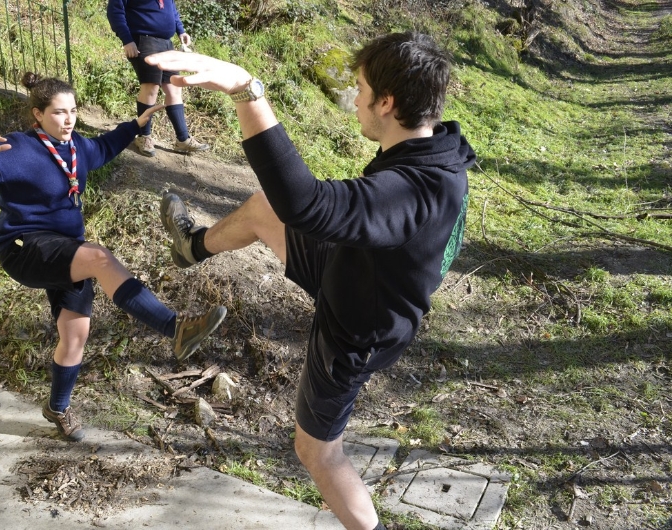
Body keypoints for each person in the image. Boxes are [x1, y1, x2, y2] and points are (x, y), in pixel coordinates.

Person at [147, 32, 476, 530]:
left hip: (357, 328)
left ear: (387, 103)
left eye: (361, 90)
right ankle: (192, 247)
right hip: (357, 269)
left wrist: (246, 90)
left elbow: (308, 204)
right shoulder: (440, 149)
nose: (356, 100)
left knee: (317, 451)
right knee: (264, 209)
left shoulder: (412, 191)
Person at [0, 72, 226, 443]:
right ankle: (176, 329)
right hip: (25, 248)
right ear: (38, 114)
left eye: (73, 111)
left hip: (65, 249)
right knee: (99, 258)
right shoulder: (17, 149)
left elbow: (104, 147)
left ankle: (57, 408)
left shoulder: (76, 147)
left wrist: (134, 126)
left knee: (75, 334)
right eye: (59, 112)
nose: (69, 119)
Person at [107, 0, 209, 157]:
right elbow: (115, 11)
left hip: (166, 43)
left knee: (174, 87)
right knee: (151, 87)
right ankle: (144, 136)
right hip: (144, 40)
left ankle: (182, 140)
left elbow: (171, 9)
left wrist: (181, 31)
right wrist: (127, 40)